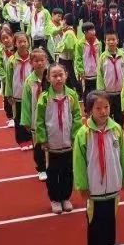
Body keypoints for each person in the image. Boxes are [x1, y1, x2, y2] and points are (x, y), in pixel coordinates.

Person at [73, 91, 124, 245]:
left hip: (113, 186)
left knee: (110, 222)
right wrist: (82, 185)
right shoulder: (83, 134)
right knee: (95, 224)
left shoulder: (116, 130)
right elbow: (79, 163)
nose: (103, 112)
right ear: (89, 110)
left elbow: (123, 156)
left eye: (106, 107)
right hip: (94, 190)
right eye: (98, 108)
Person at [36, 64, 82, 214]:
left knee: (68, 171)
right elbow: (40, 120)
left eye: (60, 75)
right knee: (53, 172)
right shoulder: (44, 98)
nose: (58, 78)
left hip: (68, 142)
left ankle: (65, 197)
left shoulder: (72, 95)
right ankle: (55, 199)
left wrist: (75, 135)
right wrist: (43, 139)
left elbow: (76, 116)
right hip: (52, 143)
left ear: (66, 75)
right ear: (48, 78)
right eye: (54, 76)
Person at [19, 48, 49, 181]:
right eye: (36, 61)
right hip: (36, 119)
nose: (40, 63)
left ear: (46, 61)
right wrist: (26, 120)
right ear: (31, 62)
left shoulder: (51, 78)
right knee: (38, 145)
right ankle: (41, 168)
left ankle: (51, 166)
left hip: (50, 117)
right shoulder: (29, 82)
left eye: (42, 60)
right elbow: (25, 103)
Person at [5, 32, 34, 151]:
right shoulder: (12, 61)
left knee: (31, 117)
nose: (22, 44)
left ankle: (31, 138)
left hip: (31, 94)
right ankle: (22, 140)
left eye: (24, 41)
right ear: (15, 44)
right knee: (19, 118)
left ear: (28, 42)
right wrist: (9, 94)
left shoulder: (33, 58)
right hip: (17, 95)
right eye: (19, 42)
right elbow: (9, 78)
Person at [96, 31, 124, 128]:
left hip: (120, 93)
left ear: (117, 41)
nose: (111, 42)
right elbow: (100, 75)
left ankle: (119, 135)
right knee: (107, 116)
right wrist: (101, 91)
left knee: (120, 117)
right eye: (108, 40)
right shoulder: (102, 57)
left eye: (113, 39)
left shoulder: (122, 55)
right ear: (105, 41)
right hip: (107, 93)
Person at [76, 22, 102, 99]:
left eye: (93, 29)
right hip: (86, 72)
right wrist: (81, 70)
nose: (93, 31)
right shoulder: (80, 44)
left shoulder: (98, 43)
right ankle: (86, 107)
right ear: (85, 32)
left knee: (96, 90)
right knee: (87, 91)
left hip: (96, 71)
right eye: (90, 30)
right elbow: (78, 58)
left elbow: (100, 56)